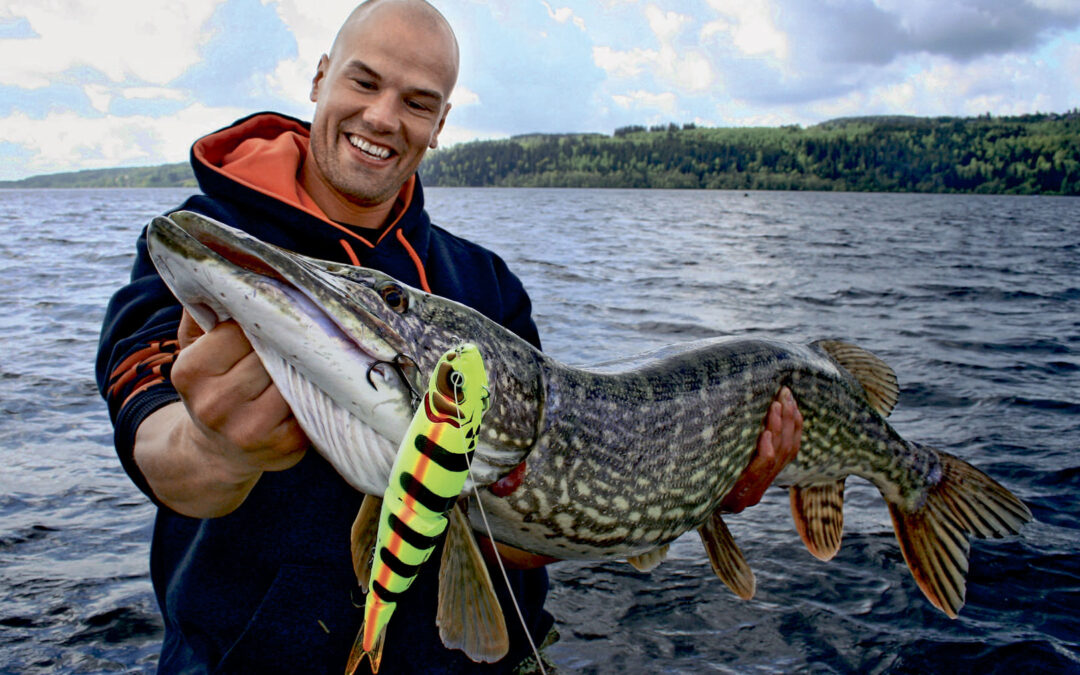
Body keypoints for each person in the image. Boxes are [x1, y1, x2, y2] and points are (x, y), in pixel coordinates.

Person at [95, 1, 803, 672]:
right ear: (320, 76)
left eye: (417, 101)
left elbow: (522, 536)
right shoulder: (206, 254)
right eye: (364, 81)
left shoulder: (485, 286)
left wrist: (696, 490)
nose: (382, 116)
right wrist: (214, 445)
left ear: (439, 124)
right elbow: (152, 441)